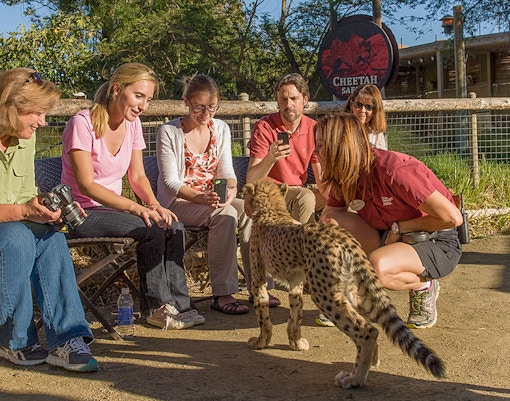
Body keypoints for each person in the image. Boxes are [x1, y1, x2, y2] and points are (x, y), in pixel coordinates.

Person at [61, 63, 204, 330]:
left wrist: (153, 204)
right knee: (150, 228)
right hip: (81, 212)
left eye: (148, 100)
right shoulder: (82, 123)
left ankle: (181, 305)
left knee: (172, 224)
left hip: (113, 210)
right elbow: (87, 185)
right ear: (117, 89)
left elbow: (137, 176)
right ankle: (157, 308)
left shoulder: (133, 124)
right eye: (139, 96)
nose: (143, 106)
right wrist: (136, 209)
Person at [316, 111, 463, 329]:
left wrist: (402, 226)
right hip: (388, 236)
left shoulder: (395, 170)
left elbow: (452, 218)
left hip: (433, 239)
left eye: (320, 145)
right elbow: (328, 221)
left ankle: (425, 287)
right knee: (330, 222)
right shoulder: (344, 174)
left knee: (377, 268)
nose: (315, 151)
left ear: (340, 146)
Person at [0, 68, 98, 372]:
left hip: (12, 223)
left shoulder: (24, 138)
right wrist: (25, 212)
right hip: (9, 230)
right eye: (38, 113)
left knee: (51, 236)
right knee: (17, 237)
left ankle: (67, 339)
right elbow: (19, 210)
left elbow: (26, 193)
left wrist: (46, 208)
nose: (43, 122)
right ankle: (14, 339)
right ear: (11, 107)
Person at [156, 74, 251, 315]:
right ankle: (222, 293)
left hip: (212, 199)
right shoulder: (168, 132)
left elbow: (226, 170)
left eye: (211, 107)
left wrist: (230, 188)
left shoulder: (221, 128)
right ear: (186, 102)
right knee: (225, 213)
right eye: (199, 107)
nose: (206, 114)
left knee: (250, 211)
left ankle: (258, 285)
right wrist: (200, 198)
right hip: (179, 203)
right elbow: (170, 182)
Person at [246, 73, 327, 309]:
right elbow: (252, 179)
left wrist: (338, 199)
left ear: (305, 100)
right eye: (283, 99)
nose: (288, 105)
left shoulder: (314, 128)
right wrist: (271, 158)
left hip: (299, 193)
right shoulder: (264, 127)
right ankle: (292, 270)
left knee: (313, 196)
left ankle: (301, 270)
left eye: (293, 98)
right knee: (306, 196)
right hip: (269, 195)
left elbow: (320, 176)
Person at [343, 84, 387, 150]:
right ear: (351, 104)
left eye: (368, 107)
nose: (362, 110)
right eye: (358, 105)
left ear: (375, 110)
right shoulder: (340, 129)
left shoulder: (377, 134)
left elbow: (382, 158)